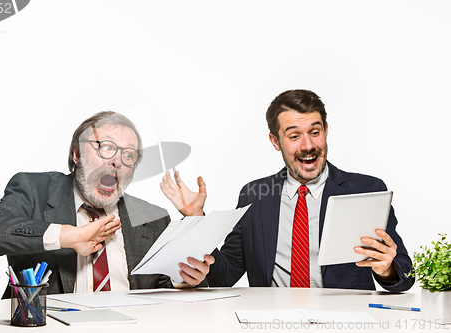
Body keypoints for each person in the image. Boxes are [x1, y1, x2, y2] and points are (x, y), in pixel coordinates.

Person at [163, 89, 414, 291]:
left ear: (326, 131)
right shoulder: (254, 195)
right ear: (275, 141)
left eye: (315, 133)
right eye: (294, 136)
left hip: (344, 324)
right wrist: (196, 218)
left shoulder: (365, 190)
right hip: (273, 323)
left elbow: (405, 273)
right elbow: (223, 276)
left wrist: (387, 268)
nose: (307, 146)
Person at [0, 111, 212, 298]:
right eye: (106, 147)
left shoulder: (152, 217)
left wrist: (186, 272)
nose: (117, 160)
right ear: (76, 154)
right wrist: (67, 236)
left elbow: (167, 293)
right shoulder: (35, 190)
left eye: (128, 155)